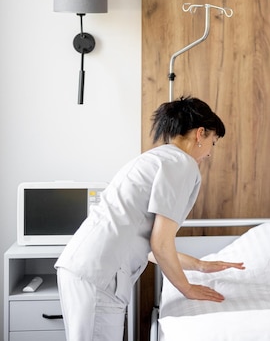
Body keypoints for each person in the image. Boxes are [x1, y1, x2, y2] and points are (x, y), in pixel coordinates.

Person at [55, 96, 245, 341]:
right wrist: (188, 289)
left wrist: (199, 265)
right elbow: (161, 243)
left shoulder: (156, 158)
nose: (209, 153)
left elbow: (148, 246)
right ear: (200, 134)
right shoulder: (183, 165)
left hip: (81, 267)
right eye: (213, 142)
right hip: (100, 275)